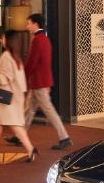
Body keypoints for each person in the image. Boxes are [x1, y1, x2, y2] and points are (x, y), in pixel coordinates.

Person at [7, 13, 71, 150]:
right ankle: (20, 136)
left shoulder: (37, 40)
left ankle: (64, 137)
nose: (27, 26)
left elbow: (32, 62)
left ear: (36, 24)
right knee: (29, 110)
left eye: (29, 23)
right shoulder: (45, 39)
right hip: (41, 81)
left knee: (49, 111)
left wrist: (21, 76)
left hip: (39, 83)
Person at [0, 30, 37, 162]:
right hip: (15, 95)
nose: (2, 39)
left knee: (14, 124)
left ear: (8, 40)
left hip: (7, 97)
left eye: (3, 38)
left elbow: (6, 78)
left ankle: (30, 149)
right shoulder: (15, 56)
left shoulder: (6, 56)